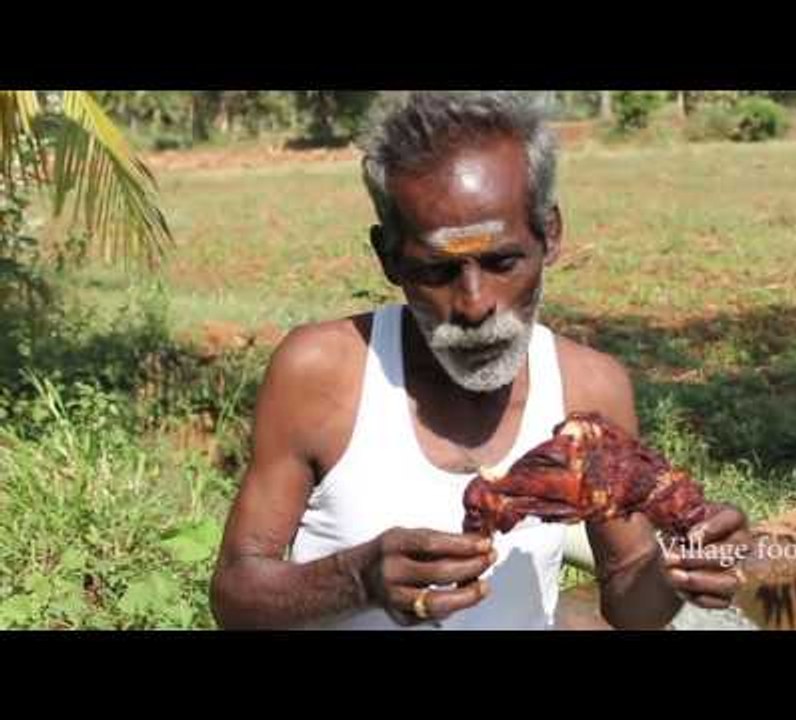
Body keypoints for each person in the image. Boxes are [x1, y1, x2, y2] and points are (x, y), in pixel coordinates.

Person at [210, 91, 751, 630]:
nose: (474, 304)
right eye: (436, 270)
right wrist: (357, 579)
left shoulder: (589, 389)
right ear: (388, 257)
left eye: (503, 262)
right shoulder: (323, 374)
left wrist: (679, 570)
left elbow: (630, 595)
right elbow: (234, 594)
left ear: (551, 235)